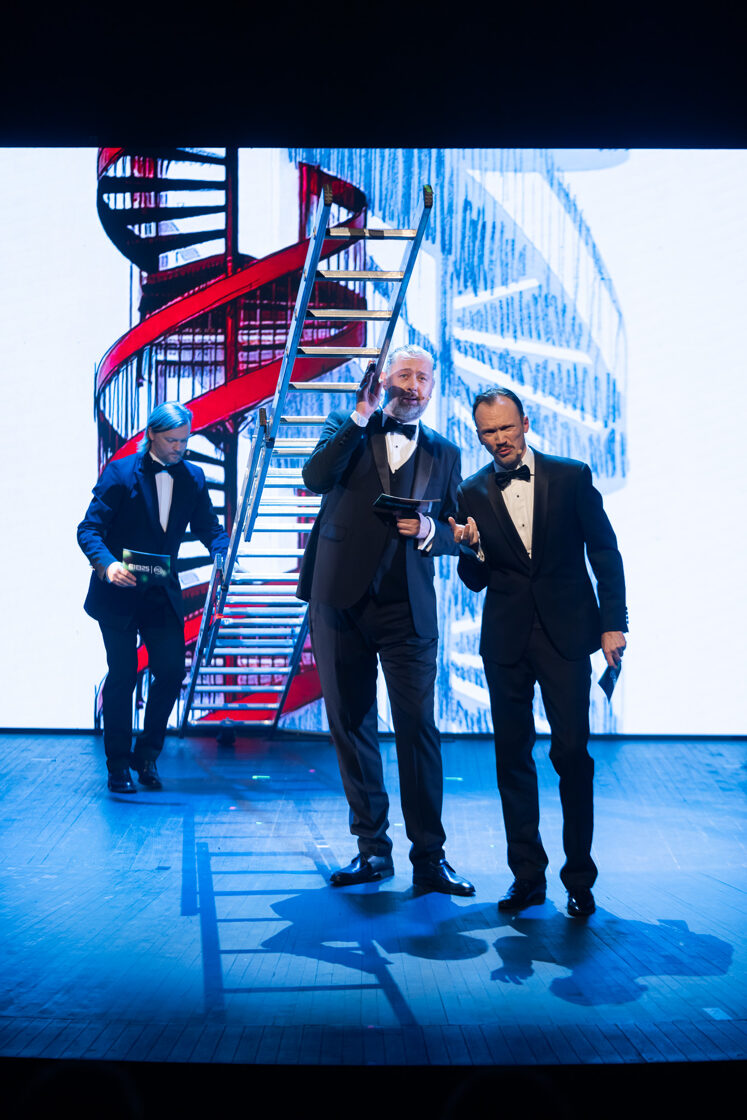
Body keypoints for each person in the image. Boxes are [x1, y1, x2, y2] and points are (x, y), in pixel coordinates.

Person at [297, 345, 474, 895]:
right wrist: (359, 414)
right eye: (404, 374)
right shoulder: (348, 426)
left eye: (423, 378)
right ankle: (372, 850)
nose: (413, 386)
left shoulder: (446, 452)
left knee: (418, 729)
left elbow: (460, 532)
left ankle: (430, 859)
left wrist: (430, 532)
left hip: (408, 608)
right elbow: (315, 477)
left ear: (433, 388)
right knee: (352, 724)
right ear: (383, 379)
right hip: (339, 601)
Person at [450, 387, 627, 917]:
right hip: (506, 641)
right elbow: (475, 580)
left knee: (572, 755)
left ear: (525, 423)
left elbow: (605, 552)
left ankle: (580, 878)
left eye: (506, 428)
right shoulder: (470, 490)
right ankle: (527, 876)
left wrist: (612, 625)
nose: (499, 439)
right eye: (489, 432)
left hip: (566, 634)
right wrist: (470, 548)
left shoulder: (571, 476)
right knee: (512, 759)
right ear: (478, 435)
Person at [78, 402, 229, 793]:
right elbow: (88, 529)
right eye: (172, 440)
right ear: (151, 435)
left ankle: (146, 756)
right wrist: (107, 565)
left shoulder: (193, 477)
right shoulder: (120, 472)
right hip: (118, 593)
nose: (179, 447)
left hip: (160, 591)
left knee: (171, 672)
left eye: (184, 440)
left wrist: (223, 553)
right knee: (124, 674)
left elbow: (210, 529)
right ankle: (117, 764)